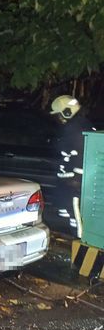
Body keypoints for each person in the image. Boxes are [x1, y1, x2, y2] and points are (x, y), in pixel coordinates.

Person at [50, 95, 96, 233]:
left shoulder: (75, 130)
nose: (58, 119)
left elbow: (80, 157)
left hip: (76, 186)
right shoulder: (81, 125)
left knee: (78, 219)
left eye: (58, 115)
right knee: (71, 214)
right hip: (72, 185)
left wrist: (76, 180)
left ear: (67, 112)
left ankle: (83, 245)